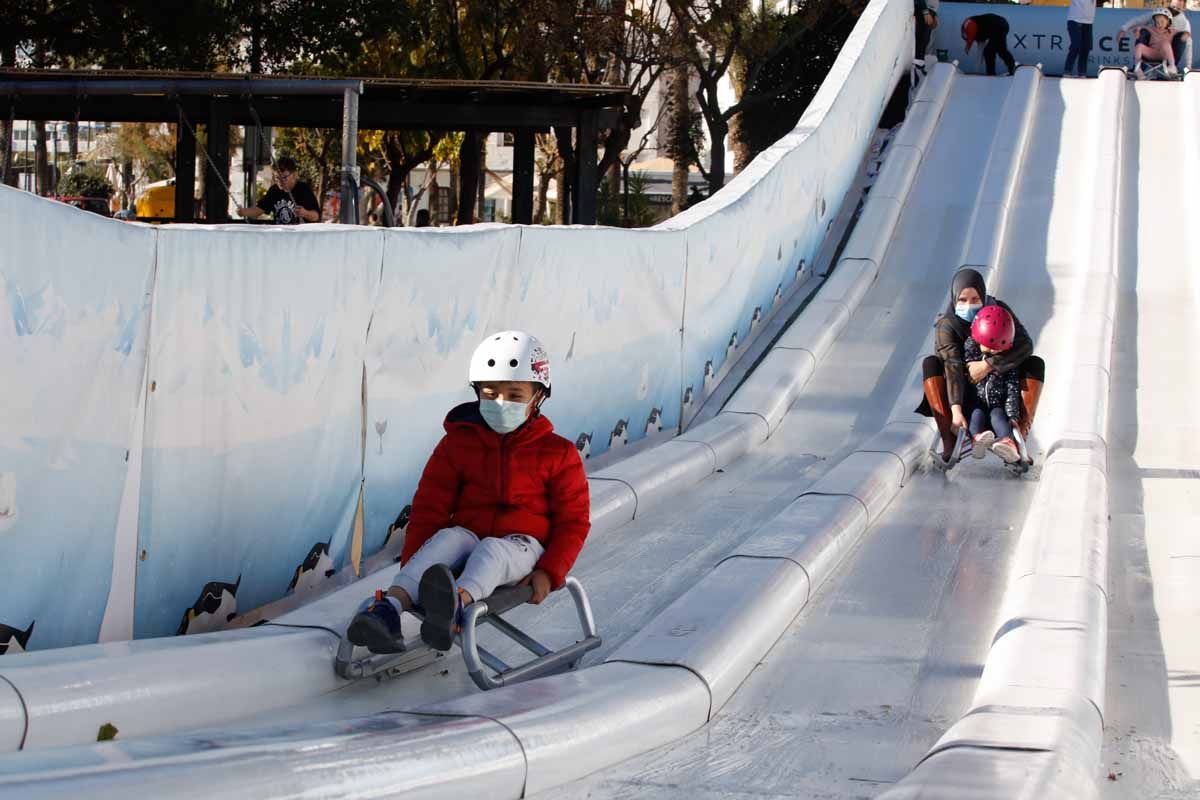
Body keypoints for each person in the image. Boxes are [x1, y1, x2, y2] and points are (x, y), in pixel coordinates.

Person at [347, 331, 591, 653]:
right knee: (451, 538)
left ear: (538, 397)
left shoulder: (556, 454)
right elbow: (430, 504)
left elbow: (574, 521)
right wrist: (417, 562)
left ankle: (454, 608)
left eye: (515, 395)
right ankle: (389, 608)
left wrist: (549, 571)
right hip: (469, 537)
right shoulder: (459, 442)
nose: (500, 404)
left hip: (523, 547)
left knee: (491, 549)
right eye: (490, 394)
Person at [916, 268, 1045, 466]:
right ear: (954, 298)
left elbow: (1024, 344)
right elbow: (952, 367)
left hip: (998, 391)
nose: (969, 305)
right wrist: (957, 412)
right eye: (963, 300)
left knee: (1034, 363)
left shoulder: (997, 311)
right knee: (931, 363)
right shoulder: (947, 325)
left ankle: (1016, 437)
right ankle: (949, 439)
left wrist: (987, 365)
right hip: (962, 396)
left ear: (983, 296)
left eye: (975, 299)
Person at [963, 306, 1023, 463]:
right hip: (976, 402)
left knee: (999, 418)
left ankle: (1007, 443)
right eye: (988, 346)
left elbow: (1012, 387)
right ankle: (977, 439)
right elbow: (966, 365)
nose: (991, 351)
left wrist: (1013, 415)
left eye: (996, 349)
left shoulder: (1007, 362)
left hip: (997, 404)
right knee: (976, 415)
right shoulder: (972, 350)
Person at [235, 157, 320, 224]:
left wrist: (305, 213)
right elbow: (259, 210)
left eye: (284, 177)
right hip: (280, 237)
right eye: (277, 178)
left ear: (294, 175)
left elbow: (316, 216)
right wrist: (243, 212)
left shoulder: (303, 189)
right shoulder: (274, 190)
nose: (280, 181)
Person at [1118, 0, 1191, 77]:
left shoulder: (1177, 27)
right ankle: (1138, 67)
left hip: (1165, 54)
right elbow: (1139, 24)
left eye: (1162, 22)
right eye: (1157, 22)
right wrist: (1133, 30)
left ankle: (1172, 66)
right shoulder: (1152, 25)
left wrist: (1185, 35)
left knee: (1165, 44)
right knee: (1139, 46)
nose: (1159, 24)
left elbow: (1185, 36)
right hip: (1152, 53)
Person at [1064, 0, 1097, 78]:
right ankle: (1067, 72)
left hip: (1088, 22)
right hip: (1074, 19)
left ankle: (1082, 73)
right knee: (1076, 46)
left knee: (1086, 48)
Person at [915, 0, 939, 65]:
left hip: (930, 11)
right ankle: (918, 65)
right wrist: (925, 11)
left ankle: (920, 64)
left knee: (925, 40)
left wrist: (935, 14)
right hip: (923, 9)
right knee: (921, 40)